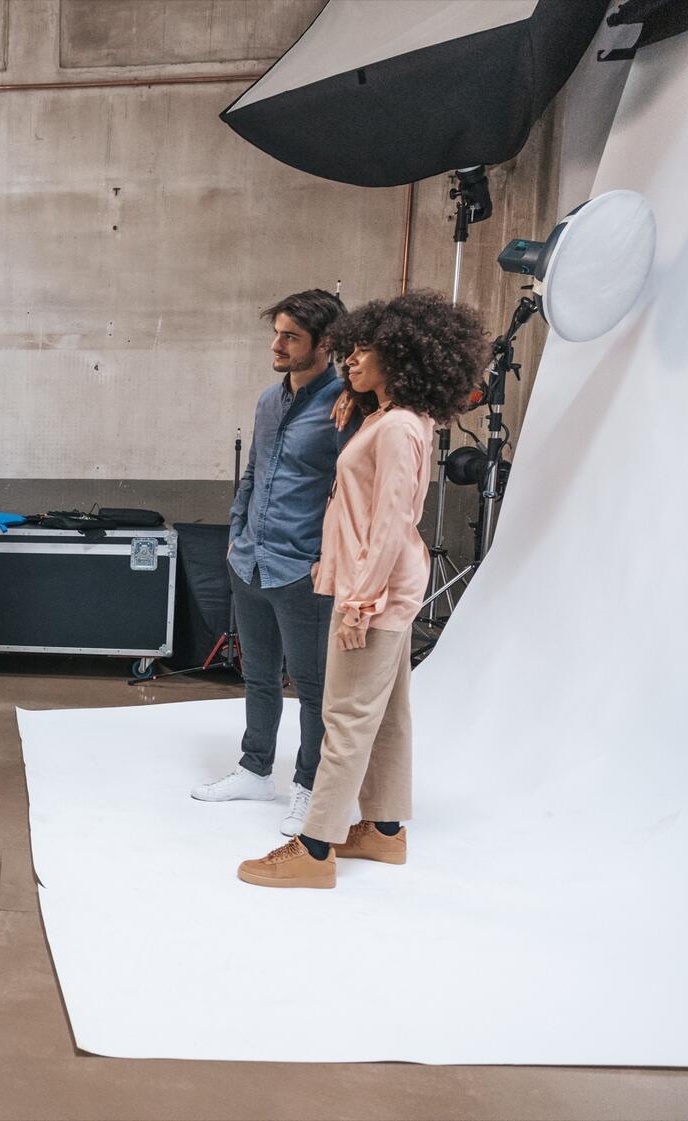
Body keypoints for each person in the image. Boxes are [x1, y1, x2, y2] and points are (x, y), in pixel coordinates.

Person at [238, 290, 486, 889]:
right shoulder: (392, 416)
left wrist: (360, 603)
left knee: (345, 716)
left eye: (364, 351)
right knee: (390, 714)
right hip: (383, 587)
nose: (350, 360)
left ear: (401, 356)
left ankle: (315, 848)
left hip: (373, 590)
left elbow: (392, 520)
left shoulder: (398, 427)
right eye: (349, 351)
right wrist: (356, 400)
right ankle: (384, 831)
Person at [194, 290, 353, 837]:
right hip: (251, 562)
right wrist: (236, 535)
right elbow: (254, 473)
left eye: (290, 337)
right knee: (258, 675)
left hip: (303, 570)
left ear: (325, 345)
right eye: (277, 333)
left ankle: (310, 790)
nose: (276, 345)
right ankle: (255, 769)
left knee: (313, 688)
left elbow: (350, 492)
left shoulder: (346, 408)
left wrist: (325, 558)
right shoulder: (267, 401)